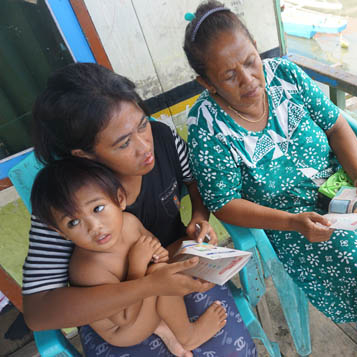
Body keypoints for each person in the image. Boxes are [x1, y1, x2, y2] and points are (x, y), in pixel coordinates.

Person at [183, 0, 357, 329]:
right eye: (229, 76)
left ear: (257, 48)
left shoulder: (285, 75)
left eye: (250, 62)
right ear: (207, 83)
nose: (248, 80)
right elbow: (225, 203)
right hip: (289, 220)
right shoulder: (208, 127)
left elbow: (335, 126)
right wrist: (293, 222)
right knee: (348, 249)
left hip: (341, 189)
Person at [22, 63, 256, 356]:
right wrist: (146, 285)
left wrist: (199, 215)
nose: (145, 146)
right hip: (116, 312)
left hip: (170, 268)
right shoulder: (67, 203)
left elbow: (194, 179)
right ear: (84, 155)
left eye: (142, 124)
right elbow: (39, 311)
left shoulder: (163, 140)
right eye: (123, 143)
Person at [30, 158, 228, 350]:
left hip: (142, 300)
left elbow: (156, 250)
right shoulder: (88, 268)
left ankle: (163, 326)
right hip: (126, 330)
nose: (94, 227)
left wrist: (167, 252)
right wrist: (138, 265)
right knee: (157, 274)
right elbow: (126, 317)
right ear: (61, 232)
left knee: (185, 246)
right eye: (73, 223)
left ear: (120, 199)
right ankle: (188, 336)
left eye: (98, 208)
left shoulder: (129, 222)